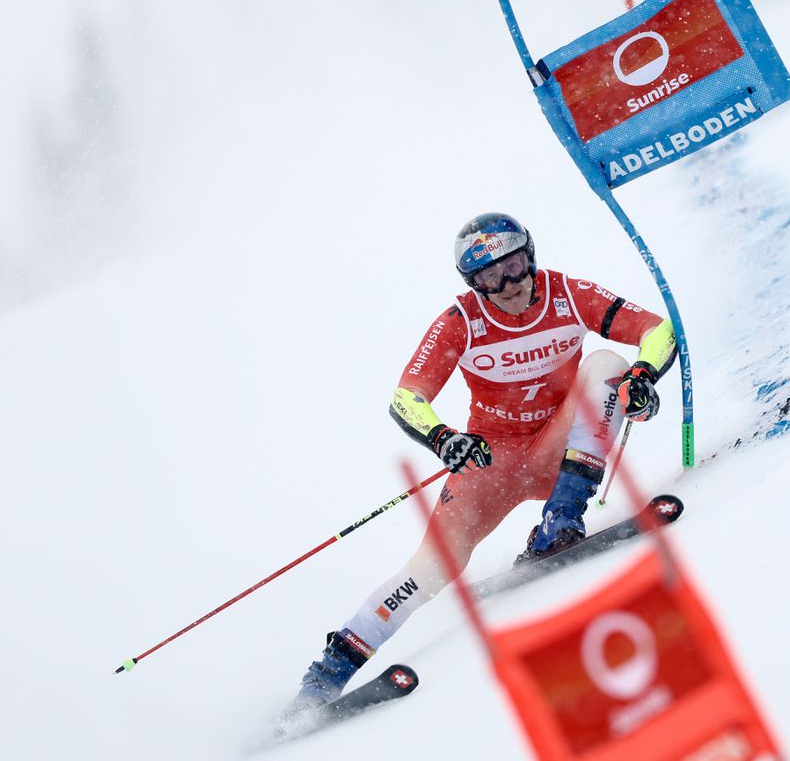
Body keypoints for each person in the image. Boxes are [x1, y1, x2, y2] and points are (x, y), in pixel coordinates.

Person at [288, 212, 676, 709]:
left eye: (513, 266)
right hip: (490, 462)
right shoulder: (461, 320)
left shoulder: (568, 292)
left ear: (530, 256)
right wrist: (443, 438)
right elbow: (406, 398)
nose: (508, 284)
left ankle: (560, 519)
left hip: (561, 448)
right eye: (490, 277)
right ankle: (326, 675)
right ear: (473, 283)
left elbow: (657, 330)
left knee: (609, 366)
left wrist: (642, 376)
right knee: (431, 568)